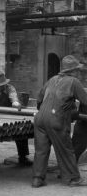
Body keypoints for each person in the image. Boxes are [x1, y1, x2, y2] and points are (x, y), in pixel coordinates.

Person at [32, 55, 87, 187]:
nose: (78, 72)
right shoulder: (74, 82)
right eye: (77, 70)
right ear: (73, 70)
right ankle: (73, 178)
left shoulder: (51, 79)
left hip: (39, 119)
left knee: (41, 150)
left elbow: (39, 101)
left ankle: (37, 179)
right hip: (56, 120)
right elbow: (86, 101)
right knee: (66, 149)